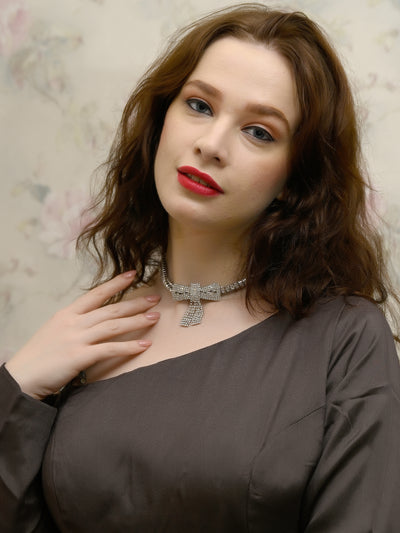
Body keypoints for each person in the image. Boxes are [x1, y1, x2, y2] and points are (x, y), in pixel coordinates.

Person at [1, 2, 400, 531]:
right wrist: (17, 388)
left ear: (294, 181)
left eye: (259, 132)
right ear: (161, 120)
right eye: (199, 105)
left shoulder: (345, 340)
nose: (211, 145)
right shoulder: (92, 331)